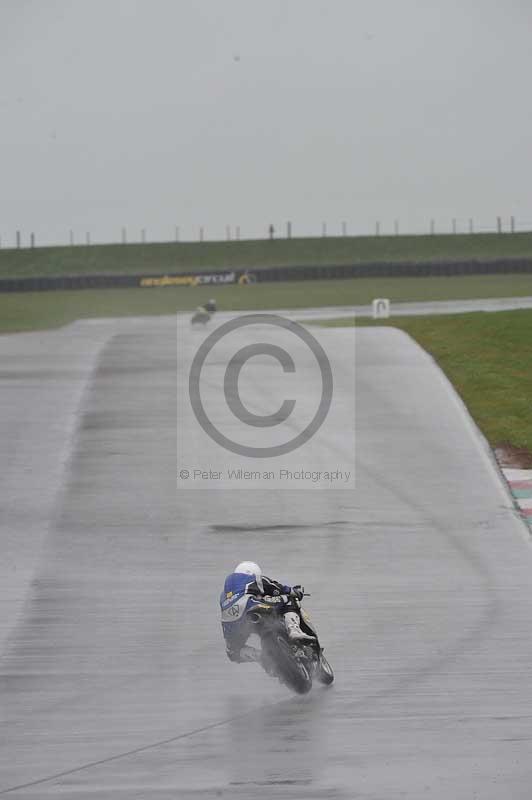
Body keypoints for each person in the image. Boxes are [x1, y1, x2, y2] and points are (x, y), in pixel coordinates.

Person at [220, 560, 315, 664]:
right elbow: (278, 588)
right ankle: (294, 631)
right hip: (250, 605)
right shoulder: (254, 579)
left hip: (230, 623)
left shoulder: (224, 594)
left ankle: (264, 659)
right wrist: (295, 592)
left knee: (233, 651)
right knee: (289, 599)